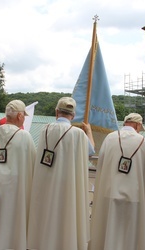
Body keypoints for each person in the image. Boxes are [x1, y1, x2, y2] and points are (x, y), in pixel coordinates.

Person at [27, 97, 95, 250]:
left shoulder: (45, 129)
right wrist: (88, 131)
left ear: (56, 111)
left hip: (47, 182)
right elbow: (90, 150)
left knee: (46, 215)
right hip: (68, 185)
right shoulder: (78, 134)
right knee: (65, 217)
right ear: (73, 115)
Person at [89, 113, 145, 250]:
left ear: (125, 123)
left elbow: (101, 164)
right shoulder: (143, 142)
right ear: (137, 125)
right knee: (129, 233)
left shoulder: (110, 138)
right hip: (134, 195)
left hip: (110, 192)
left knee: (110, 227)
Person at [0, 100, 36, 250]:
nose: (24, 118)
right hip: (16, 187)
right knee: (13, 222)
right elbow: (33, 162)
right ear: (19, 116)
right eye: (24, 116)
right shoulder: (25, 136)